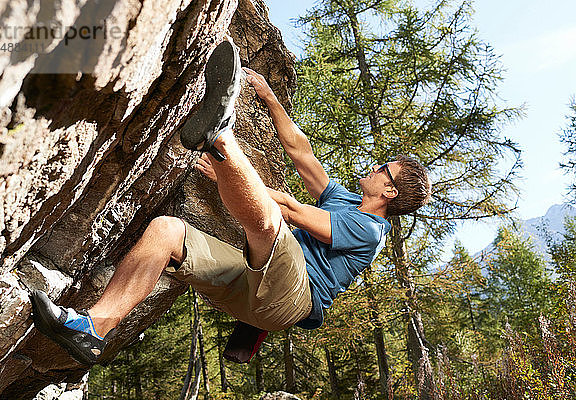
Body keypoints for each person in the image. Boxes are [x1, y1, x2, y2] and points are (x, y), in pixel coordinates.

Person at [30, 40, 431, 366]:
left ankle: (220, 137)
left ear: (390, 192)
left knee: (273, 223)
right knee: (166, 231)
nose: (376, 168)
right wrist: (270, 96)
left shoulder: (370, 230)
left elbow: (290, 211)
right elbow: (302, 153)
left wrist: (227, 167)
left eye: (384, 169)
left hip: (292, 299)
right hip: (249, 292)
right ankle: (94, 329)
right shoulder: (344, 199)